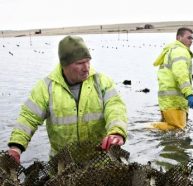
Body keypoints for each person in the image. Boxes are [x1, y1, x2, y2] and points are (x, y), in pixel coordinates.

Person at [7, 35, 128, 164]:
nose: (86, 67)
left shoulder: (102, 82)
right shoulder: (45, 88)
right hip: (61, 167)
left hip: (100, 164)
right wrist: (16, 147)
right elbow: (28, 118)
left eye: (88, 61)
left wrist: (117, 132)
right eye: (80, 63)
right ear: (65, 65)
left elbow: (115, 107)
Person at [152, 27, 193, 130]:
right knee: (177, 129)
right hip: (174, 101)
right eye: (188, 38)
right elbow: (181, 73)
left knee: (171, 131)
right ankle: (143, 128)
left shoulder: (173, 50)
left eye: (192, 39)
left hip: (168, 101)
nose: (191, 41)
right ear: (179, 37)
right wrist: (189, 94)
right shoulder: (180, 51)